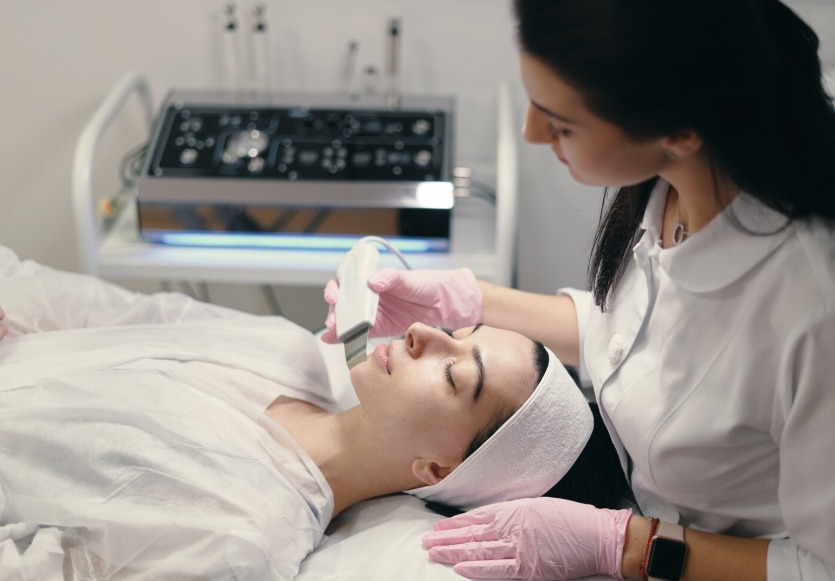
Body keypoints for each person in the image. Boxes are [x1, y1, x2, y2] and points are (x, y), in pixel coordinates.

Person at [322, 0, 835, 579]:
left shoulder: (813, 313)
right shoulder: (673, 187)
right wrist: (467, 301)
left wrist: (625, 545)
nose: (531, 133)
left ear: (679, 132)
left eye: (561, 123)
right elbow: (633, 334)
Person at [0, 244, 619, 580]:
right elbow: (119, 314)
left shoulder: (241, 534)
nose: (424, 334)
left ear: (437, 468)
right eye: (458, 331)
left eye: (455, 374)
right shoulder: (287, 352)